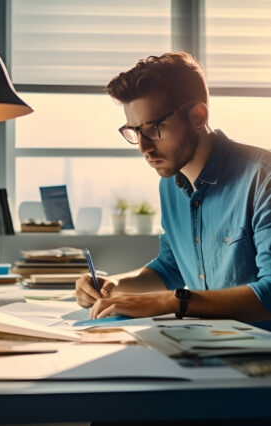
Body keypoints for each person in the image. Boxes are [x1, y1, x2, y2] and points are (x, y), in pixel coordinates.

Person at [75, 51, 271, 330]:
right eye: (134, 131)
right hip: (209, 346)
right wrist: (116, 285)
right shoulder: (170, 185)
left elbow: (270, 293)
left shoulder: (263, 178)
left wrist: (170, 302)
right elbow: (171, 267)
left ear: (197, 116)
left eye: (154, 128)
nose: (143, 147)